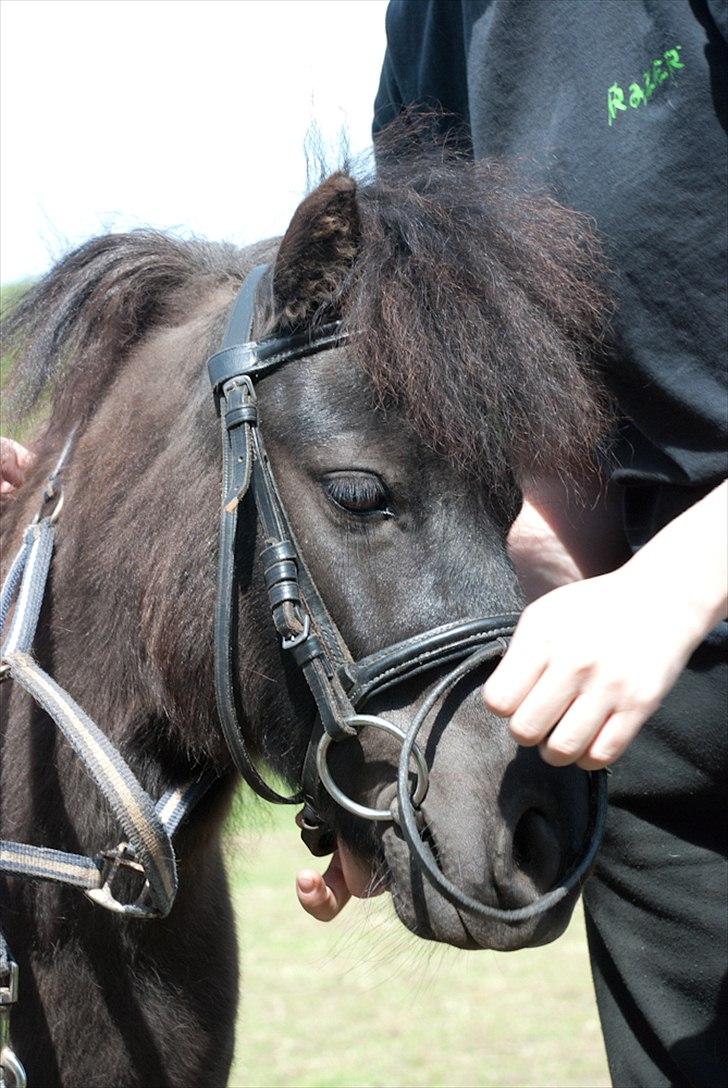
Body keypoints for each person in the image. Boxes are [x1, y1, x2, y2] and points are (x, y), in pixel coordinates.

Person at [295, 3, 728, 1087]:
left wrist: (676, 580)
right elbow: (548, 435)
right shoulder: (442, 21)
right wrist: (427, 721)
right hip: (653, 701)